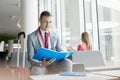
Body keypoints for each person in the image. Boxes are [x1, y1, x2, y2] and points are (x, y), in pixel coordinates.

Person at [27, 11, 72, 75]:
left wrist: (63, 54)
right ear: (40, 20)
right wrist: (41, 64)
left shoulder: (55, 35)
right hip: (40, 65)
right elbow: (30, 57)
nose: (48, 25)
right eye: (45, 22)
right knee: (35, 70)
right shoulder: (31, 37)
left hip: (54, 63)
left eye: (50, 22)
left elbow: (59, 50)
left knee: (68, 63)